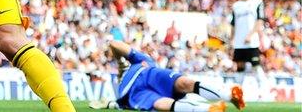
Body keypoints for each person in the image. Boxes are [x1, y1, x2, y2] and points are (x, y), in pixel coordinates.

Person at [89, 41, 245, 112]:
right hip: (138, 93)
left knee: (185, 82)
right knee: (160, 104)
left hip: (152, 75)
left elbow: (114, 44)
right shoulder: (123, 94)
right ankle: (210, 110)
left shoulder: (141, 61)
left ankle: (229, 95)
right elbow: (115, 105)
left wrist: (120, 60)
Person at [231, 0, 267, 88]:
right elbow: (233, 24)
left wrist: (250, 35)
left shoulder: (258, 2)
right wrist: (232, 39)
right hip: (239, 41)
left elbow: (260, 20)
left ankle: (264, 90)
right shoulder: (236, 5)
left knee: (255, 65)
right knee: (239, 65)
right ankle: (237, 92)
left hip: (252, 41)